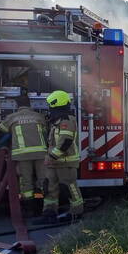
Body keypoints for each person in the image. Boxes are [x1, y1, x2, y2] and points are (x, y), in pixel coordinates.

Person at [0, 93, 47, 213]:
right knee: (43, 179)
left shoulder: (12, 117)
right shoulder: (39, 116)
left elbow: (1, 128)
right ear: (30, 104)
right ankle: (45, 206)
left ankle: (30, 209)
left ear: (17, 105)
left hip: (22, 155)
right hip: (41, 154)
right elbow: (45, 130)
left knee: (26, 181)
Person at [40, 90, 83, 223]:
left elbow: (65, 142)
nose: (49, 108)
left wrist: (51, 156)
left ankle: (76, 212)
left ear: (56, 104)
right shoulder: (56, 121)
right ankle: (49, 213)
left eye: (51, 106)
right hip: (54, 163)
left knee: (69, 188)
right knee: (49, 188)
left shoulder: (67, 121)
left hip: (66, 163)